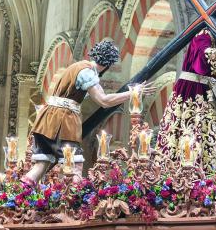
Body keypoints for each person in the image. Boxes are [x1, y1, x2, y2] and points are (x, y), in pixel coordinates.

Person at [23, 40, 154, 184]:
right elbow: (104, 101)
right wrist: (133, 93)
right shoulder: (87, 72)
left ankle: (18, 196)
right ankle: (72, 202)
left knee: (40, 166)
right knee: (75, 167)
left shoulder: (78, 67)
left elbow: (101, 94)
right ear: (107, 65)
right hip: (62, 121)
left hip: (46, 121)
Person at [155, 10, 216, 174]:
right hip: (189, 91)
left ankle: (206, 174)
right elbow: (201, 58)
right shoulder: (205, 33)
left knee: (208, 135)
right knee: (187, 132)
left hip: (206, 94)